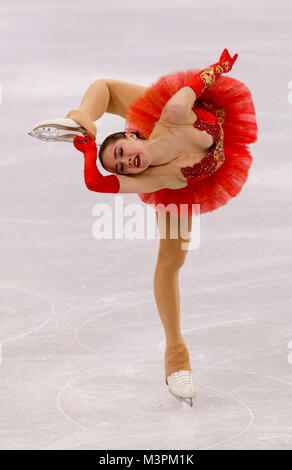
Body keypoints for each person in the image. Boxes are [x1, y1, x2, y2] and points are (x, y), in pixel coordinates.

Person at [29, 49, 258, 406]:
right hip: (174, 175)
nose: (125, 163)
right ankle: (176, 356)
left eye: (121, 154)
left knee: (110, 89)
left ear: (130, 137)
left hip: (182, 122)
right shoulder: (154, 178)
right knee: (171, 261)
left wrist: (221, 65)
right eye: (120, 166)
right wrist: (90, 153)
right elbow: (100, 183)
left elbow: (198, 81)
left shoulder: (169, 114)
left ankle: (83, 120)